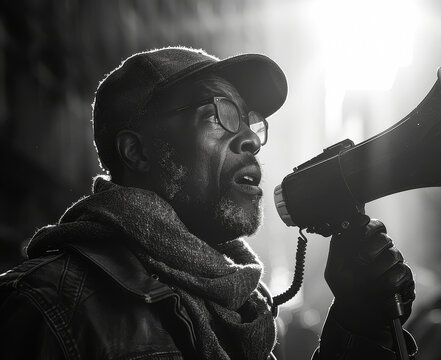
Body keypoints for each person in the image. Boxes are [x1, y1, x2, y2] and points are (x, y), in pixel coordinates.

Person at [0, 46, 416, 359]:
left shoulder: (237, 307)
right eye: (220, 114)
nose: (251, 138)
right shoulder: (47, 307)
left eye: (251, 121)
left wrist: (357, 328)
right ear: (138, 153)